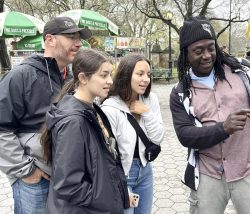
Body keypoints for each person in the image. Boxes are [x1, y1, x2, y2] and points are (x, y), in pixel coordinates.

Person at [169, 16, 250, 214]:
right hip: (208, 173)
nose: (207, 55)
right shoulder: (180, 92)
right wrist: (223, 129)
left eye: (211, 47)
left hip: (249, 168)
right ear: (185, 54)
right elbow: (185, 135)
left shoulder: (243, 70)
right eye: (198, 50)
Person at [0, 17, 91, 213]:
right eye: (71, 37)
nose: (78, 43)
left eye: (79, 38)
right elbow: (1, 128)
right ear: (49, 39)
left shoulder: (74, 78)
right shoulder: (21, 76)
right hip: (36, 181)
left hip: (69, 177)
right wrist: (26, 171)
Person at [40, 49, 129, 213]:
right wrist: (107, 199)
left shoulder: (91, 109)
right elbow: (68, 185)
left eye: (110, 74)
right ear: (82, 78)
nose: (110, 81)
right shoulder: (74, 121)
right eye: (103, 75)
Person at [101, 54, 164, 214]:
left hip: (145, 170)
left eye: (148, 74)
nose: (146, 79)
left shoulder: (151, 100)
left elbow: (157, 138)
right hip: (122, 174)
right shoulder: (110, 108)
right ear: (126, 74)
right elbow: (107, 154)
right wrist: (121, 185)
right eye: (140, 74)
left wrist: (146, 113)